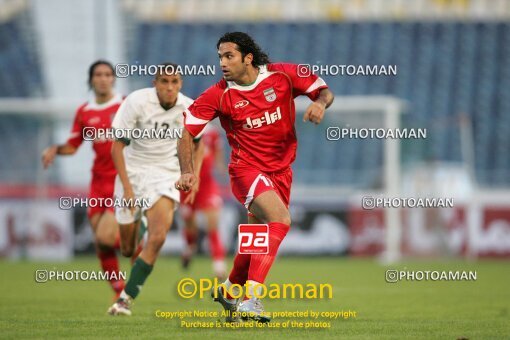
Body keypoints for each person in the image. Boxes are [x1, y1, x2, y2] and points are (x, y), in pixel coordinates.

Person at [175, 32, 334, 323]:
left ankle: (228, 290)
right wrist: (187, 170)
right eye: (220, 57)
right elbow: (187, 132)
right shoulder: (219, 94)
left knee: (256, 243)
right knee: (281, 220)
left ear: (248, 57)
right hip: (246, 170)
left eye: (229, 56)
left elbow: (324, 90)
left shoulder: (284, 75)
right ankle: (251, 298)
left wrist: (320, 104)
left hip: (281, 171)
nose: (222, 62)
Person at [108, 62, 203, 316]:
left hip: (166, 174)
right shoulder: (137, 102)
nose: (169, 87)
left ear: (181, 84)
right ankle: (142, 222)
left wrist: (194, 175)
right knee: (127, 248)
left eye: (174, 82)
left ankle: (125, 299)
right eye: (164, 81)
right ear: (155, 84)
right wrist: (127, 189)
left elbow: (198, 143)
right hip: (133, 171)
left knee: (159, 237)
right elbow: (116, 147)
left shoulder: (190, 107)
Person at [41, 60, 125, 298]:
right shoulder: (84, 111)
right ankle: (119, 291)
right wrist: (55, 149)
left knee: (105, 236)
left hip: (121, 180)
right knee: (101, 244)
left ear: (113, 79)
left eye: (108, 74)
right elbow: (73, 146)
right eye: (98, 74)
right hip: (97, 183)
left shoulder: (125, 105)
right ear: (91, 80)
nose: (103, 78)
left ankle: (139, 247)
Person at [180, 124, 227, 279]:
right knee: (190, 225)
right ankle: (189, 247)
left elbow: (218, 156)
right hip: (187, 185)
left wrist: (223, 170)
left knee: (213, 224)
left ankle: (219, 266)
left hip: (207, 184)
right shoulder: (184, 130)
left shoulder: (213, 133)